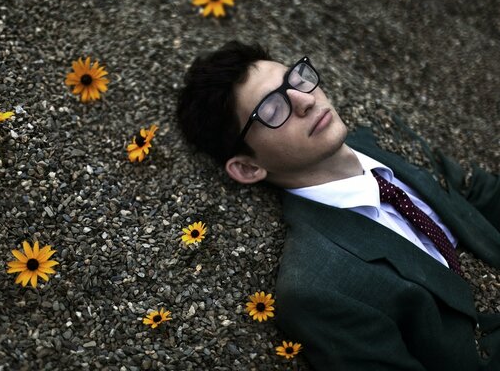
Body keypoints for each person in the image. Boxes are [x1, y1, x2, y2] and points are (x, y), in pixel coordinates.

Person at [176, 41, 500, 370]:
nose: (305, 100)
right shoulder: (318, 287)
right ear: (247, 168)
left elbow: (476, 194)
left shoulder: (387, 134)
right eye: (273, 109)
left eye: (296, 79)